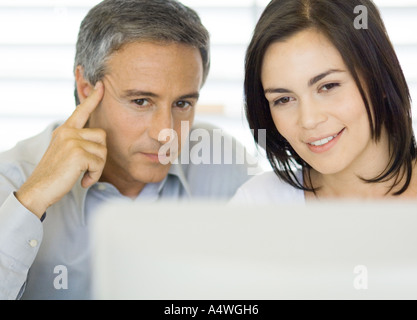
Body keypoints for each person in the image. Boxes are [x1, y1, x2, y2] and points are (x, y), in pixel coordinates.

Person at [0, 0, 259, 300]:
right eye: (140, 102)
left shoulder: (224, 166)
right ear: (86, 89)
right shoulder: (13, 183)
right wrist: (32, 202)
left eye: (182, 104)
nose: (166, 133)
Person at [231, 0, 417, 204]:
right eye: (284, 99)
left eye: (328, 86)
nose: (309, 120)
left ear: (379, 77)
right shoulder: (257, 202)